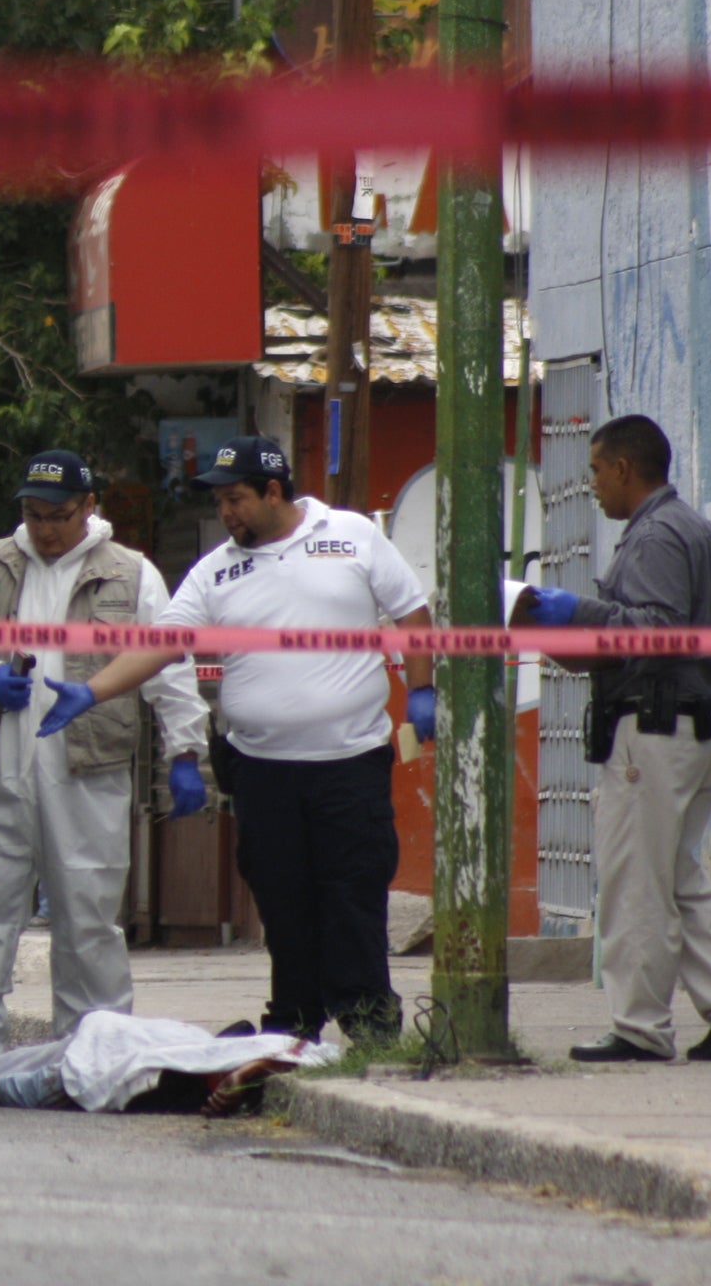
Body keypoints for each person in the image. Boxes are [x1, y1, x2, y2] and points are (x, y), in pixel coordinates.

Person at [40, 436, 433, 1045]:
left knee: (352, 891)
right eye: (220, 502)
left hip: (350, 761)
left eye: (235, 500)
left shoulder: (352, 535)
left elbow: (412, 614)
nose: (225, 513)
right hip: (262, 769)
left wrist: (422, 690)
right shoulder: (216, 570)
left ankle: (369, 1019)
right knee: (281, 900)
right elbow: (161, 644)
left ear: (274, 492)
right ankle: (295, 1022)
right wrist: (93, 690)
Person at [0, 449, 211, 1058]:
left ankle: (94, 1052)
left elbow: (168, 666)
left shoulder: (131, 574)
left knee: (88, 920)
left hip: (86, 772)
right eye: (33, 514)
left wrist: (186, 751)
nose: (46, 529)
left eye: (59, 514)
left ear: (90, 505)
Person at [523, 414, 711, 1063]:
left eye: (596, 473)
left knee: (635, 882)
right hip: (684, 727)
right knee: (676, 878)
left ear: (624, 469)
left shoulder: (658, 534)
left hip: (653, 732)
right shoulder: (686, 526)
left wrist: (577, 612)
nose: (594, 487)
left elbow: (657, 631)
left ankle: (639, 1029)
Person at [0, 1009, 338, 1116]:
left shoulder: (137, 1082)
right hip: (117, 1040)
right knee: (13, 1071)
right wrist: (246, 1070)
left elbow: (27, 1089)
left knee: (9, 1070)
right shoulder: (238, 1058)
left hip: (110, 1045)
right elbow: (310, 1051)